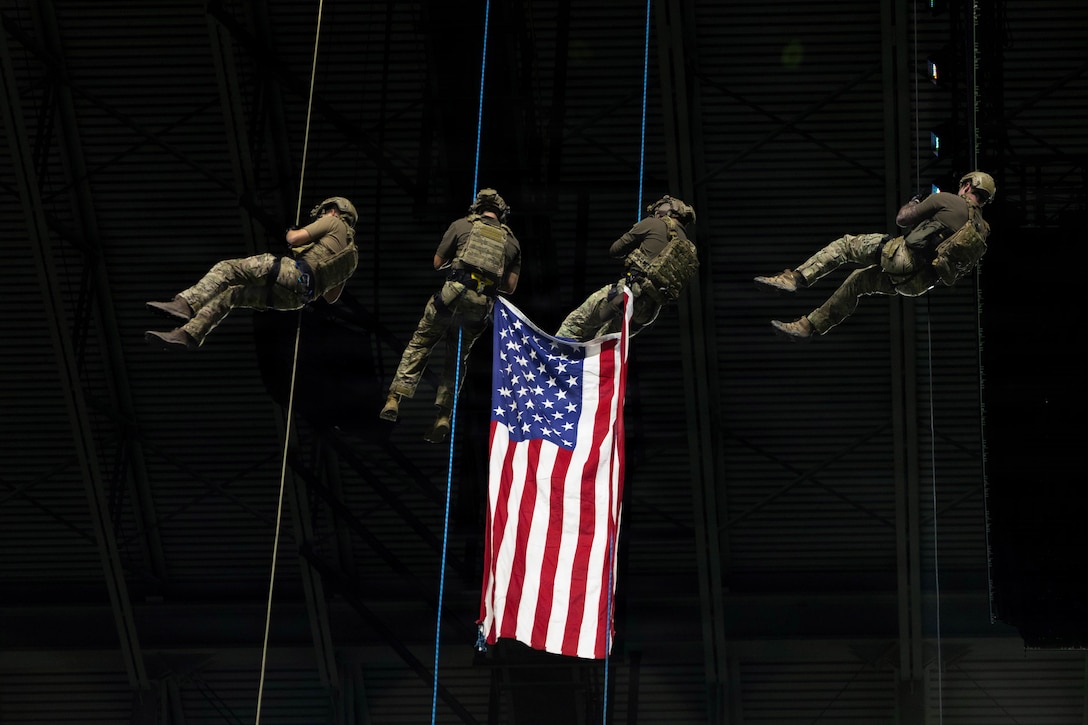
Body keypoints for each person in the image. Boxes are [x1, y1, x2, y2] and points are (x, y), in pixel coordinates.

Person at [753, 171, 995, 341]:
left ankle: (794, 278)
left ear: (967, 186)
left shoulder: (949, 200)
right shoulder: (981, 231)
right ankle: (808, 326)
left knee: (846, 246)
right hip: (916, 284)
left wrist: (916, 200)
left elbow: (902, 220)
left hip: (901, 257)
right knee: (858, 281)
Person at [380, 188, 522, 443]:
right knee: (456, 359)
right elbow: (510, 287)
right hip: (479, 307)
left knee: (421, 344)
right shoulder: (512, 242)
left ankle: (394, 398)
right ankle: (444, 415)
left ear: (478, 208)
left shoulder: (461, 225)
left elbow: (437, 262)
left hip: (451, 297)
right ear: (502, 214)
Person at [144, 197, 359, 350]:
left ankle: (185, 304)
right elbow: (331, 297)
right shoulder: (351, 257)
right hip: (295, 299)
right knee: (232, 295)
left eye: (324, 212)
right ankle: (188, 334)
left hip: (290, 274)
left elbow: (293, 239)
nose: (323, 215)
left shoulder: (333, 221)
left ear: (334, 210)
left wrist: (292, 232)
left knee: (227, 269)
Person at [556, 195, 698, 342]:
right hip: (647, 312)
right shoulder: (687, 249)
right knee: (605, 346)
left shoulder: (653, 224)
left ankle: (554, 353)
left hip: (626, 293)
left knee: (575, 323)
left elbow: (615, 250)